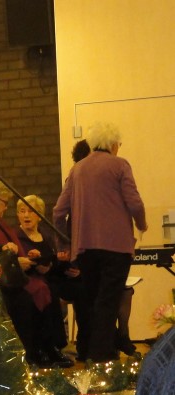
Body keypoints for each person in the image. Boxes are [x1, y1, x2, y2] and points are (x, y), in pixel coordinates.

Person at [53, 122, 147, 363]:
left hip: (85, 249)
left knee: (93, 301)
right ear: (113, 144)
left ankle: (93, 356)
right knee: (109, 302)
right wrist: (142, 224)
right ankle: (102, 359)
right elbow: (134, 203)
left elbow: (58, 212)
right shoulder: (120, 165)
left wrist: (63, 246)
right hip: (116, 248)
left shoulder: (77, 170)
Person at [6, 194, 73, 368]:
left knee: (56, 288)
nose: (26, 215)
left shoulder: (47, 235)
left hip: (47, 277)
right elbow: (13, 262)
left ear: (39, 215)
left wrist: (50, 265)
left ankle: (54, 346)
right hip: (25, 279)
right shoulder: (15, 236)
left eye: (31, 211)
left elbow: (53, 261)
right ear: (17, 215)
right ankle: (43, 348)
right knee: (43, 291)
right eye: (22, 211)